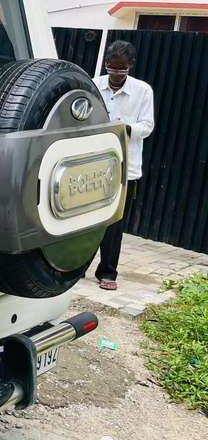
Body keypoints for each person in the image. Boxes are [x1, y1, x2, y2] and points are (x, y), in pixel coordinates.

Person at [94, 40, 155, 290]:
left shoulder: (143, 91)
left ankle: (107, 273)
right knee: (86, 221)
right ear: (106, 64)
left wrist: (124, 128)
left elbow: (147, 127)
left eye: (121, 69)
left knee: (114, 223)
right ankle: (76, 268)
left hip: (124, 168)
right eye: (111, 68)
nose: (115, 74)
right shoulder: (94, 84)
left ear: (130, 66)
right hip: (93, 164)